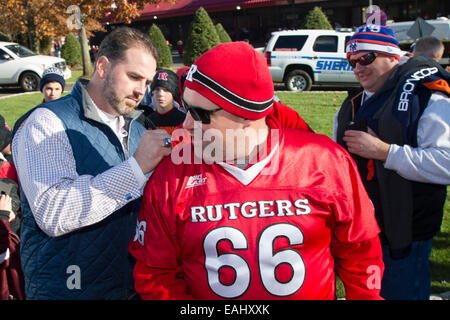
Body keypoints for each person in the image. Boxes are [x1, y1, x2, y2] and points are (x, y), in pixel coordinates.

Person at [128, 41, 384, 300]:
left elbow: (360, 251)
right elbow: (156, 275)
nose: (186, 124)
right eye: (186, 107)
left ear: (246, 116)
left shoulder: (325, 162)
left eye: (199, 113)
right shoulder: (172, 174)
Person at [11, 26, 173, 299]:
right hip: (69, 290)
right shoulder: (46, 122)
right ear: (102, 66)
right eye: (133, 76)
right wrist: (136, 168)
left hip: (131, 286)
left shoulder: (139, 127)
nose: (140, 91)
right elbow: (53, 212)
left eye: (146, 82)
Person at [333, 22, 450, 300]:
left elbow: (446, 163)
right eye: (352, 61)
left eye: (366, 58)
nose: (358, 67)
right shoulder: (353, 102)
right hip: (360, 231)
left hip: (406, 231)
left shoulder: (427, 96)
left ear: (393, 56)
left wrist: (386, 152)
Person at [146, 69, 186, 134]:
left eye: (166, 90)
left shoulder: (184, 120)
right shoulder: (147, 121)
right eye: (157, 89)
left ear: (173, 93)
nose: (160, 94)